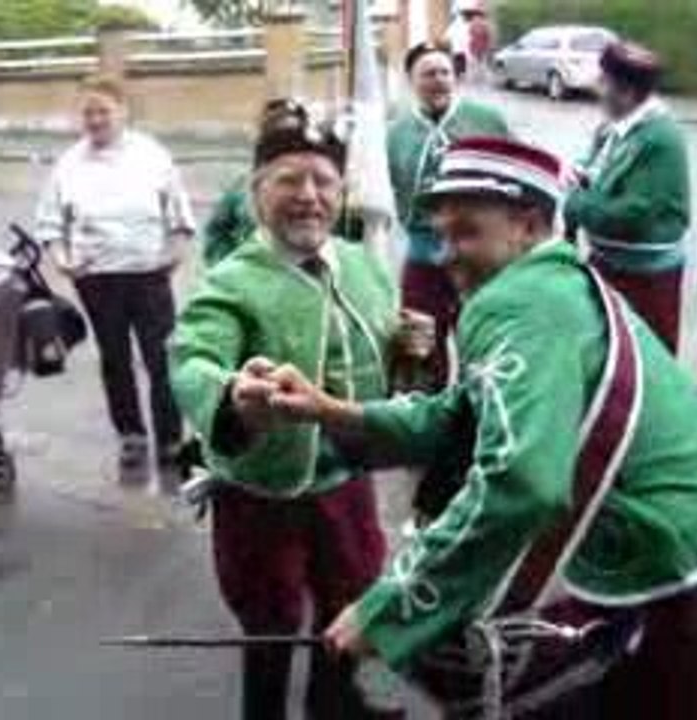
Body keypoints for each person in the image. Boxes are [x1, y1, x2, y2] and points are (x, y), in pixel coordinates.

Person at [261, 137, 697, 719]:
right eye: (442, 234)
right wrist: (331, 410)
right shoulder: (560, 283)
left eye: (467, 232)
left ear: (528, 225)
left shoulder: (517, 304)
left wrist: (394, 605)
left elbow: (520, 479)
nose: (445, 254)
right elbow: (459, 416)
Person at [169, 99, 432, 720]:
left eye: (324, 180)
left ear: (341, 191)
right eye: (290, 179)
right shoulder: (232, 281)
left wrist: (409, 347)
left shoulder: (366, 266)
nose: (309, 195)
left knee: (351, 598)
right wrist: (232, 393)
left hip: (345, 479)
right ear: (258, 192)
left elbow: (385, 371)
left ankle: (333, 703)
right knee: (271, 618)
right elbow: (192, 359)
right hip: (263, 492)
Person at [35, 75, 196, 476]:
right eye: (87, 112)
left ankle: (171, 440)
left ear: (123, 111)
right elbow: (49, 223)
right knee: (115, 359)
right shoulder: (69, 164)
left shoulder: (152, 155)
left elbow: (179, 213)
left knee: (161, 360)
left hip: (147, 275)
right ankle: (131, 436)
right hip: (97, 278)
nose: (94, 120)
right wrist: (61, 260)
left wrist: (174, 254)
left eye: (102, 111)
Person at [389, 41, 510, 391]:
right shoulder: (396, 135)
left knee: (483, 336)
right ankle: (429, 415)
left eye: (444, 72)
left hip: (479, 257)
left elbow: (512, 178)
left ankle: (484, 409)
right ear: (412, 81)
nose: (438, 80)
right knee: (420, 342)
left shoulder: (486, 121)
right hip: (423, 257)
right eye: (428, 74)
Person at [564, 41, 691, 353]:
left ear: (627, 93)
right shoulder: (612, 127)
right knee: (604, 351)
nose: (597, 88)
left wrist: (575, 202)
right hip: (607, 263)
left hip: (646, 276)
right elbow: (595, 165)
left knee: (648, 358)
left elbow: (633, 215)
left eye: (603, 82)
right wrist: (580, 173)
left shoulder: (660, 137)